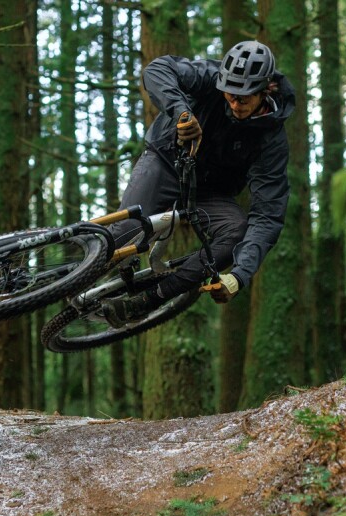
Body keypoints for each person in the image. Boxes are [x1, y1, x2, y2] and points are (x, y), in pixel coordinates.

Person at [102, 40, 295, 328]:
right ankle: (61, 274)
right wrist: (181, 112)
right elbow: (157, 70)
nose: (234, 104)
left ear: (265, 90)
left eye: (244, 99)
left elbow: (267, 215)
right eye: (229, 95)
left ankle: (148, 300)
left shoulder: (272, 141)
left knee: (236, 231)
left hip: (210, 192)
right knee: (125, 232)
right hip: (167, 161)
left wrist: (239, 275)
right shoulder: (212, 76)